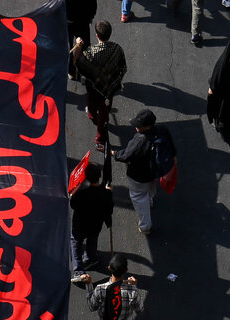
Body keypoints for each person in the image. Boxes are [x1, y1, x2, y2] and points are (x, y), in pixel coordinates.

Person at [112, 109, 174, 235]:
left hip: (139, 175)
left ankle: (145, 226)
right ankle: (150, 200)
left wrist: (113, 153)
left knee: (138, 197)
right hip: (154, 171)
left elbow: (126, 155)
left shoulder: (140, 140)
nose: (136, 127)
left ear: (147, 126)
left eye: (139, 125)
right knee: (151, 187)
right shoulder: (162, 131)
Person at [71, 21, 126, 151]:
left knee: (91, 101)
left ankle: (91, 114)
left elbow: (75, 64)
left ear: (97, 35)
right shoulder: (117, 49)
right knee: (104, 113)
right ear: (110, 34)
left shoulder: (88, 53)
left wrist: (78, 47)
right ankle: (100, 139)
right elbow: (122, 67)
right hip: (107, 91)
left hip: (92, 87)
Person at [69, 163, 113, 277]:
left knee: (75, 242)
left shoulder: (80, 193)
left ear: (85, 177)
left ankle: (79, 271)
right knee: (92, 240)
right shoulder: (106, 193)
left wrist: (73, 194)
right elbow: (109, 208)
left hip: (80, 224)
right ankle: (91, 259)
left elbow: (73, 205)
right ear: (100, 175)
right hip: (96, 224)